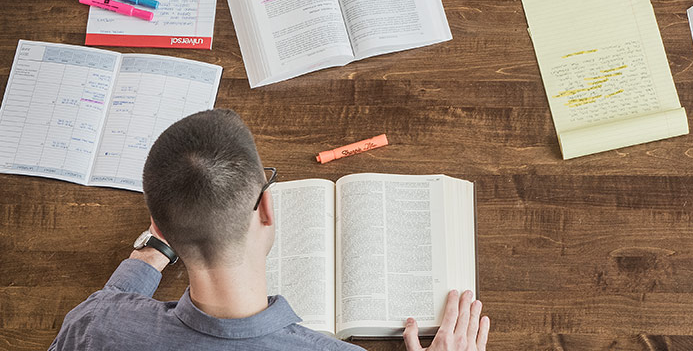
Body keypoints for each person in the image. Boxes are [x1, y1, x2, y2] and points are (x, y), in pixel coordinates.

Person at [47, 109, 490, 351]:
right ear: (267, 210)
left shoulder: (96, 324)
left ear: (160, 225)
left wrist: (147, 257)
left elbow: (100, 312)